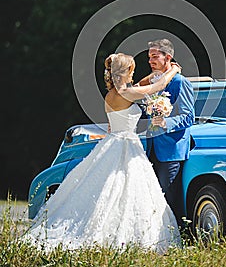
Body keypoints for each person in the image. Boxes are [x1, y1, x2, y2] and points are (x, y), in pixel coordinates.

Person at [23, 53, 181, 252]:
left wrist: (156, 73)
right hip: (125, 144)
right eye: (132, 70)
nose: (134, 74)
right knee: (123, 189)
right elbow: (156, 88)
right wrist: (173, 70)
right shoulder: (125, 93)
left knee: (115, 189)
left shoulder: (115, 93)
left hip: (114, 142)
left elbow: (142, 84)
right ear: (126, 72)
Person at [139, 39, 195, 226]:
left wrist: (166, 122)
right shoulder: (156, 81)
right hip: (152, 147)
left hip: (171, 150)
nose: (150, 60)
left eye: (155, 56)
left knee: (170, 197)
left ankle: (177, 237)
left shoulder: (180, 82)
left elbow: (189, 117)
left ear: (168, 57)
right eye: (149, 57)